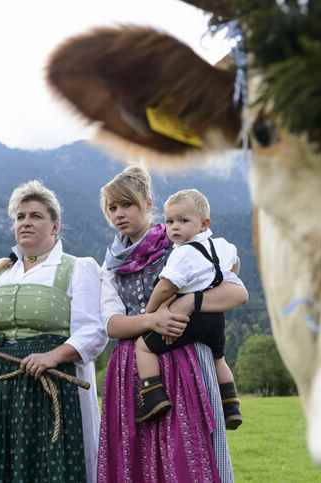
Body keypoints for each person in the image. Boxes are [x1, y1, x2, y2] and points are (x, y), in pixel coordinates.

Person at [97, 166, 248, 483]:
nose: (120, 214)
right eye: (113, 207)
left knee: (187, 452)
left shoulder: (180, 246)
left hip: (185, 358)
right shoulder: (110, 265)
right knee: (134, 457)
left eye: (128, 205)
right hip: (131, 366)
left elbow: (235, 291)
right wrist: (152, 319)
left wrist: (187, 303)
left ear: (148, 204)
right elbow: (111, 325)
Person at [0, 180, 107, 483]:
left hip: (49, 386)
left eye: (36, 216)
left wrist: (53, 356)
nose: (26, 222)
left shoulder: (77, 267)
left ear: (55, 226)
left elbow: (93, 331)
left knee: (46, 470)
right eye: (20, 216)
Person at [134, 189, 243, 429]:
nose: (175, 227)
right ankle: (231, 403)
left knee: (143, 347)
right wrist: (224, 279)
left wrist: (149, 315)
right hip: (215, 319)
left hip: (188, 320)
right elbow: (235, 264)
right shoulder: (222, 245)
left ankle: (152, 394)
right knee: (218, 357)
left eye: (183, 221)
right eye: (170, 221)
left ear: (204, 224)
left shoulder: (182, 254)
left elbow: (165, 288)